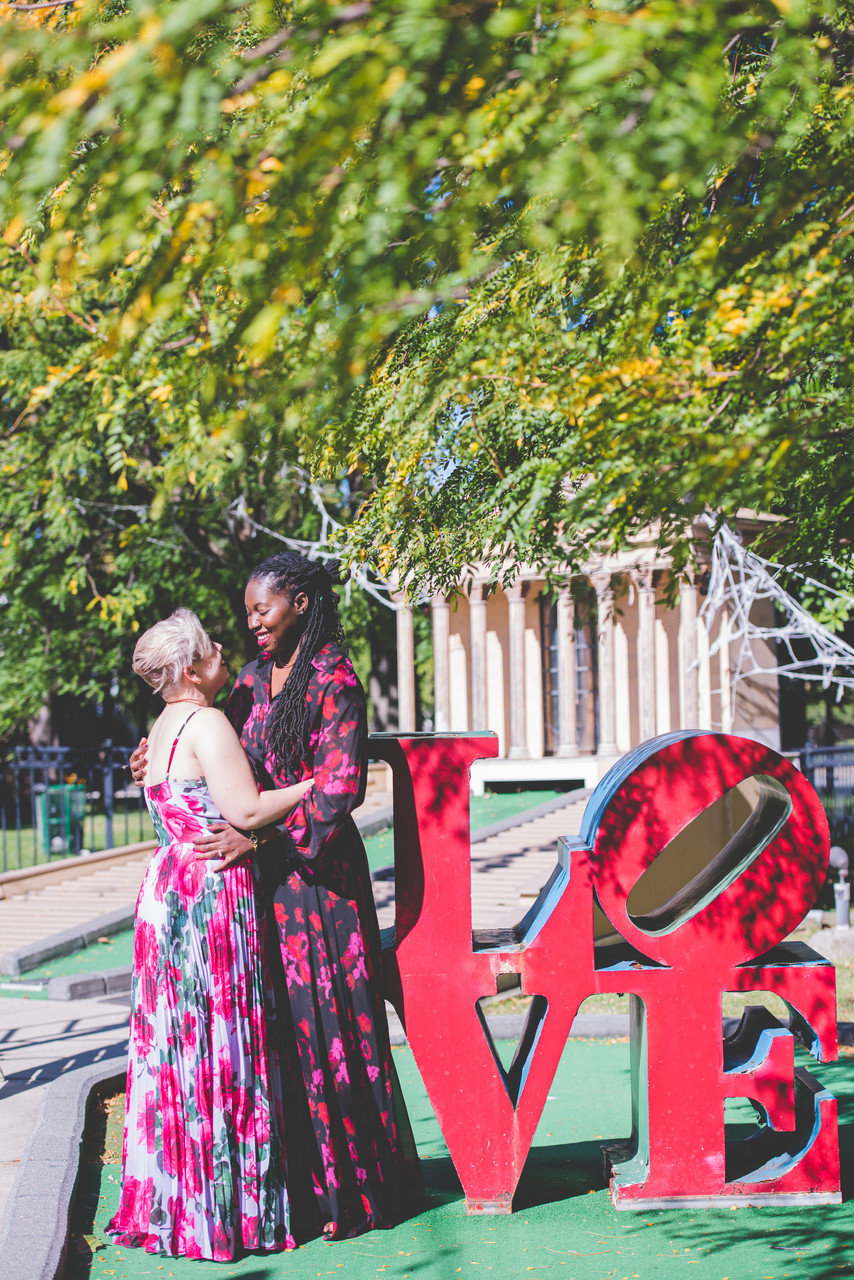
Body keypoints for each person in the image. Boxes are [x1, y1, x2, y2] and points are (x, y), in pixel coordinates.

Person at [132, 554, 421, 1241]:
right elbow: (217, 752)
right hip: (257, 884)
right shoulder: (254, 681)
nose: (253, 623)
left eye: (263, 609)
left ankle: (351, 1195)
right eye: (248, 613)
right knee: (275, 1038)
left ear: (299, 601)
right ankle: (291, 1190)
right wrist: (155, 757)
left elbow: (341, 784)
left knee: (329, 1027)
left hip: (317, 879)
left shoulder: (335, 679)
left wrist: (259, 842)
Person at [109, 608, 314, 1261]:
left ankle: (172, 1204)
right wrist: (317, 783)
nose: (225, 650)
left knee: (175, 1048)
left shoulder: (164, 726)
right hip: (207, 893)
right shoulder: (209, 722)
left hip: (166, 890)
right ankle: (221, 1212)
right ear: (193, 670)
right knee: (217, 1047)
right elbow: (247, 809)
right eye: (212, 648)